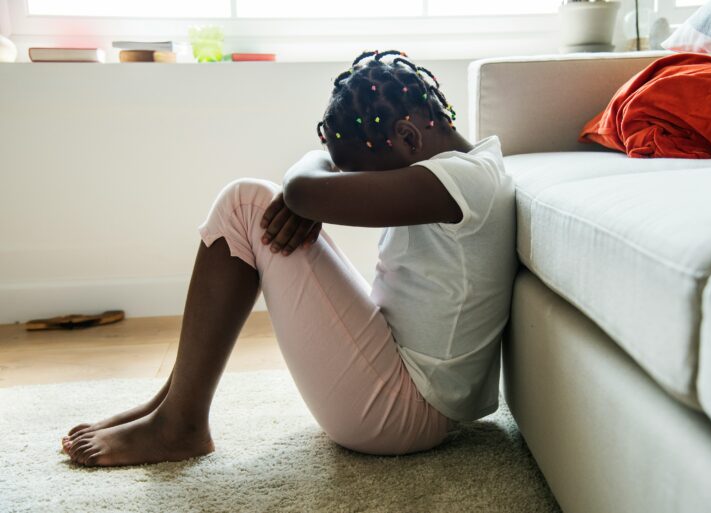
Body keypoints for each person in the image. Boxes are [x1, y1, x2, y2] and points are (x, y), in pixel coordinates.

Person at [61, 49, 515, 466]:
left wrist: (312, 188)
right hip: (409, 390)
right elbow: (308, 193)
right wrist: (311, 197)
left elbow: (302, 188)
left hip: (405, 414)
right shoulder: (474, 169)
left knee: (245, 203)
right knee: (252, 204)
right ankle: (172, 403)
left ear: (408, 136)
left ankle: (180, 423)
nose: (351, 184)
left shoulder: (456, 183)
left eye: (358, 175)